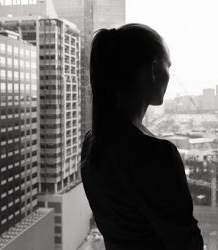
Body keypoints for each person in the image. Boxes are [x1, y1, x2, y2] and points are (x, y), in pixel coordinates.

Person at [81, 23, 203, 250]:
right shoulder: (155, 154)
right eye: (168, 65)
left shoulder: (91, 144)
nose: (169, 74)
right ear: (152, 70)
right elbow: (187, 244)